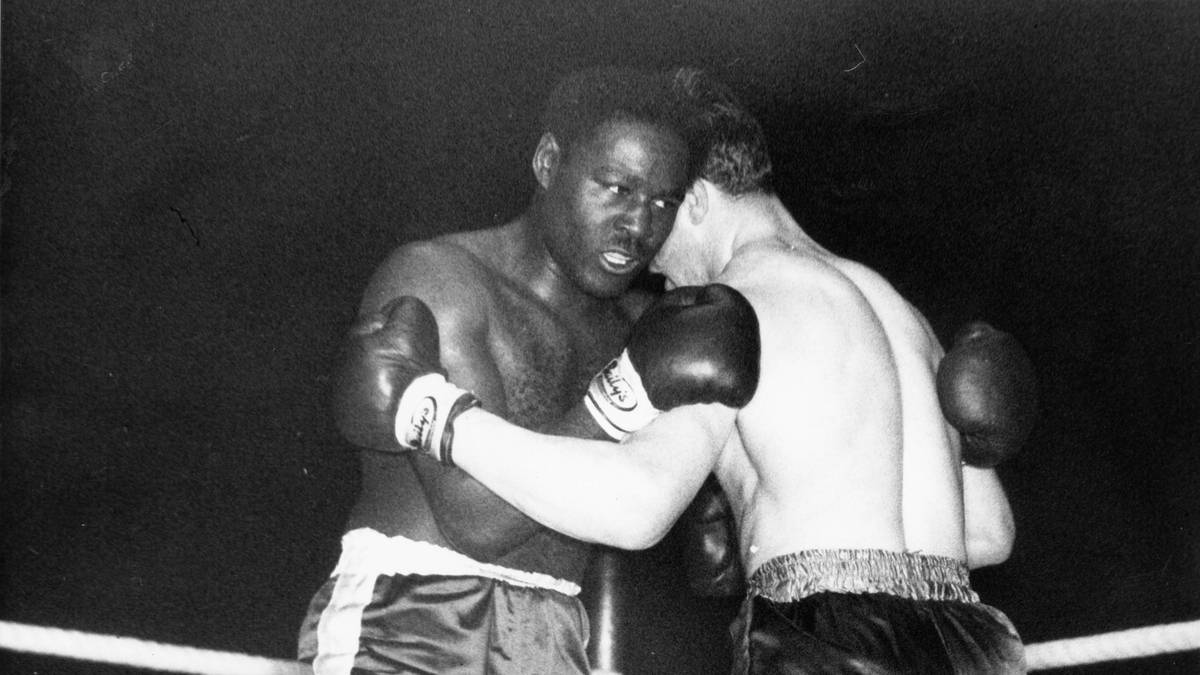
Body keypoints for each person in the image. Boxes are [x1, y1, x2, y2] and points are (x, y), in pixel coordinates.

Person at [341, 68, 1037, 673]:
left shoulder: (734, 309)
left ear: (696, 199)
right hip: (967, 643)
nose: (644, 247)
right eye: (620, 189)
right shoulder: (898, 309)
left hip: (828, 646)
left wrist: (427, 412)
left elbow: (636, 505)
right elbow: (988, 533)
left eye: (663, 203)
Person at [297, 66, 702, 675]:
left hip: (556, 633)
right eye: (616, 188)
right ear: (547, 163)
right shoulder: (440, 280)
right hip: (414, 621)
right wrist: (625, 396)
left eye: (662, 201)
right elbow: (476, 519)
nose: (640, 225)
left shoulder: (639, 327)